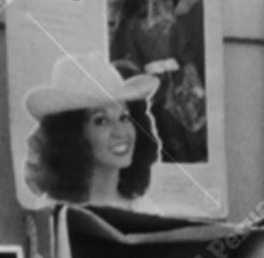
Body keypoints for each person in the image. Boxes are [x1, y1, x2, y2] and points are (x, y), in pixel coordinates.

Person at [23, 51, 161, 207]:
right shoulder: (51, 208)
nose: (120, 132)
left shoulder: (144, 208)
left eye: (124, 118)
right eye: (101, 121)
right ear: (73, 134)